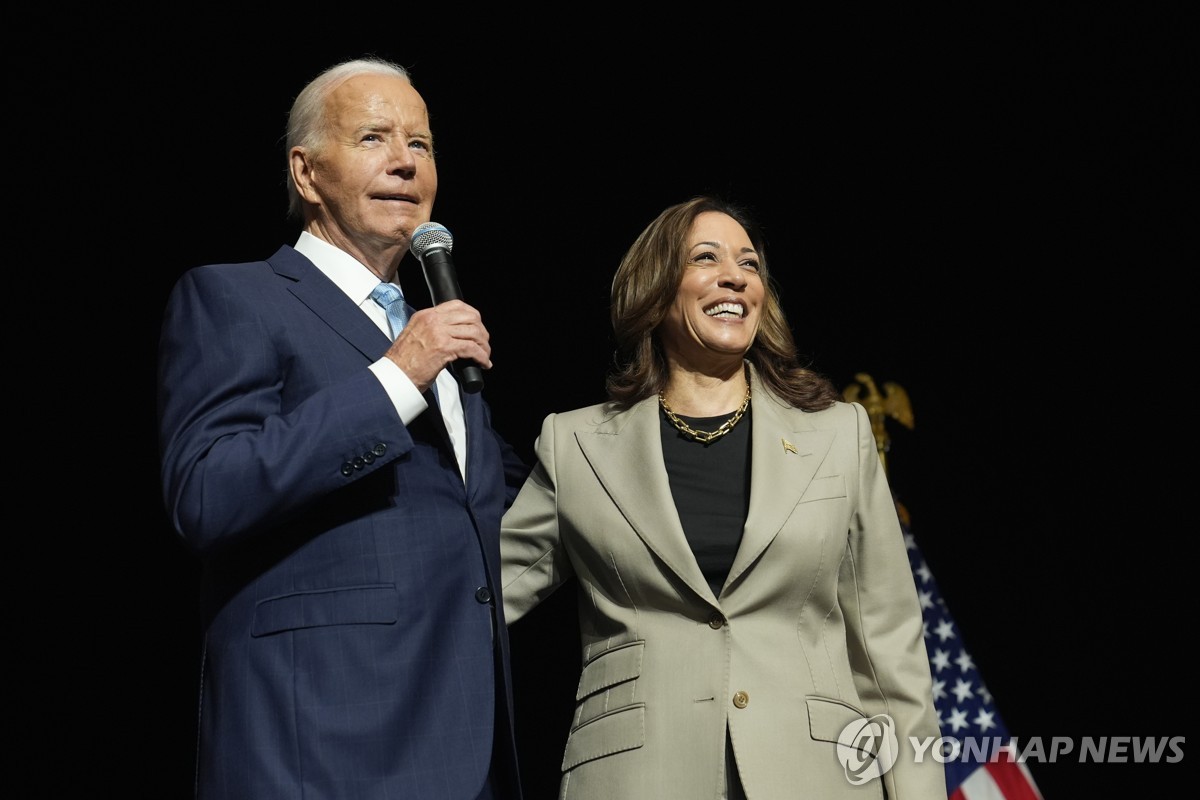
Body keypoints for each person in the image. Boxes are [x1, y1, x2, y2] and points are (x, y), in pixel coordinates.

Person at [157, 57, 529, 800]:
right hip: (321, 746)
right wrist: (395, 377)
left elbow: (504, 507)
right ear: (306, 172)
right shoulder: (236, 298)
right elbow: (207, 491)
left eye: (420, 144)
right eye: (373, 137)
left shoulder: (435, 337)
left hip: (466, 748)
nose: (404, 161)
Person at [500, 196, 946, 798]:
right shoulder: (576, 444)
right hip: (638, 776)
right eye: (705, 258)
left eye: (750, 264)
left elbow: (890, 645)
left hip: (815, 774)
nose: (735, 276)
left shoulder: (839, 435)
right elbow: (480, 598)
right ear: (656, 291)